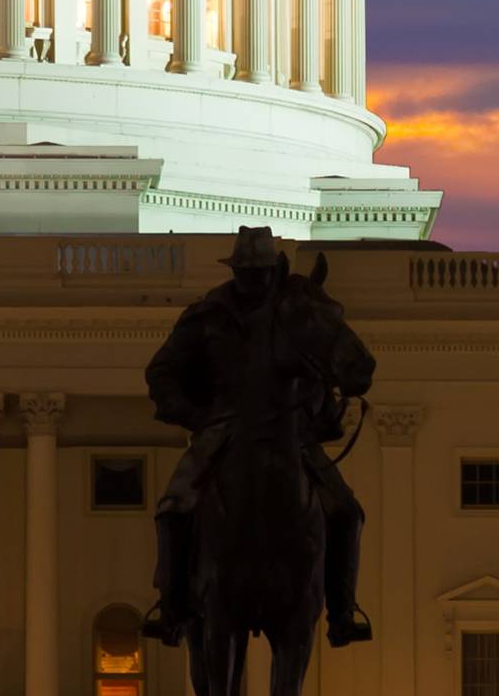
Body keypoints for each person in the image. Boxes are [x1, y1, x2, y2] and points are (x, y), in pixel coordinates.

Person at [145, 225, 373, 645]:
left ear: (273, 271)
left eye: (262, 273)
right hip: (222, 429)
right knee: (174, 506)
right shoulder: (208, 315)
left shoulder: (291, 316)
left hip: (291, 434)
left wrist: (323, 410)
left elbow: (318, 365)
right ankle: (171, 605)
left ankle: (342, 610)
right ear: (235, 273)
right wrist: (195, 416)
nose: (255, 282)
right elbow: (161, 373)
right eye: (247, 273)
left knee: (345, 510)